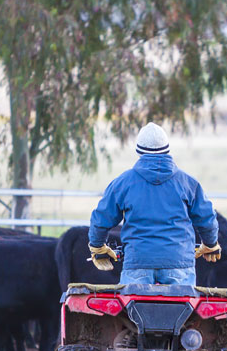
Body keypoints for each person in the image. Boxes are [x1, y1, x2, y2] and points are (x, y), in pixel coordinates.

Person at [87, 122, 220, 286]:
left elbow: (101, 220)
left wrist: (98, 247)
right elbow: (207, 219)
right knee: (181, 311)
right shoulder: (188, 183)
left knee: (135, 311)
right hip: (179, 264)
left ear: (138, 151)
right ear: (167, 149)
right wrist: (210, 243)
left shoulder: (122, 183)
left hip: (137, 263)